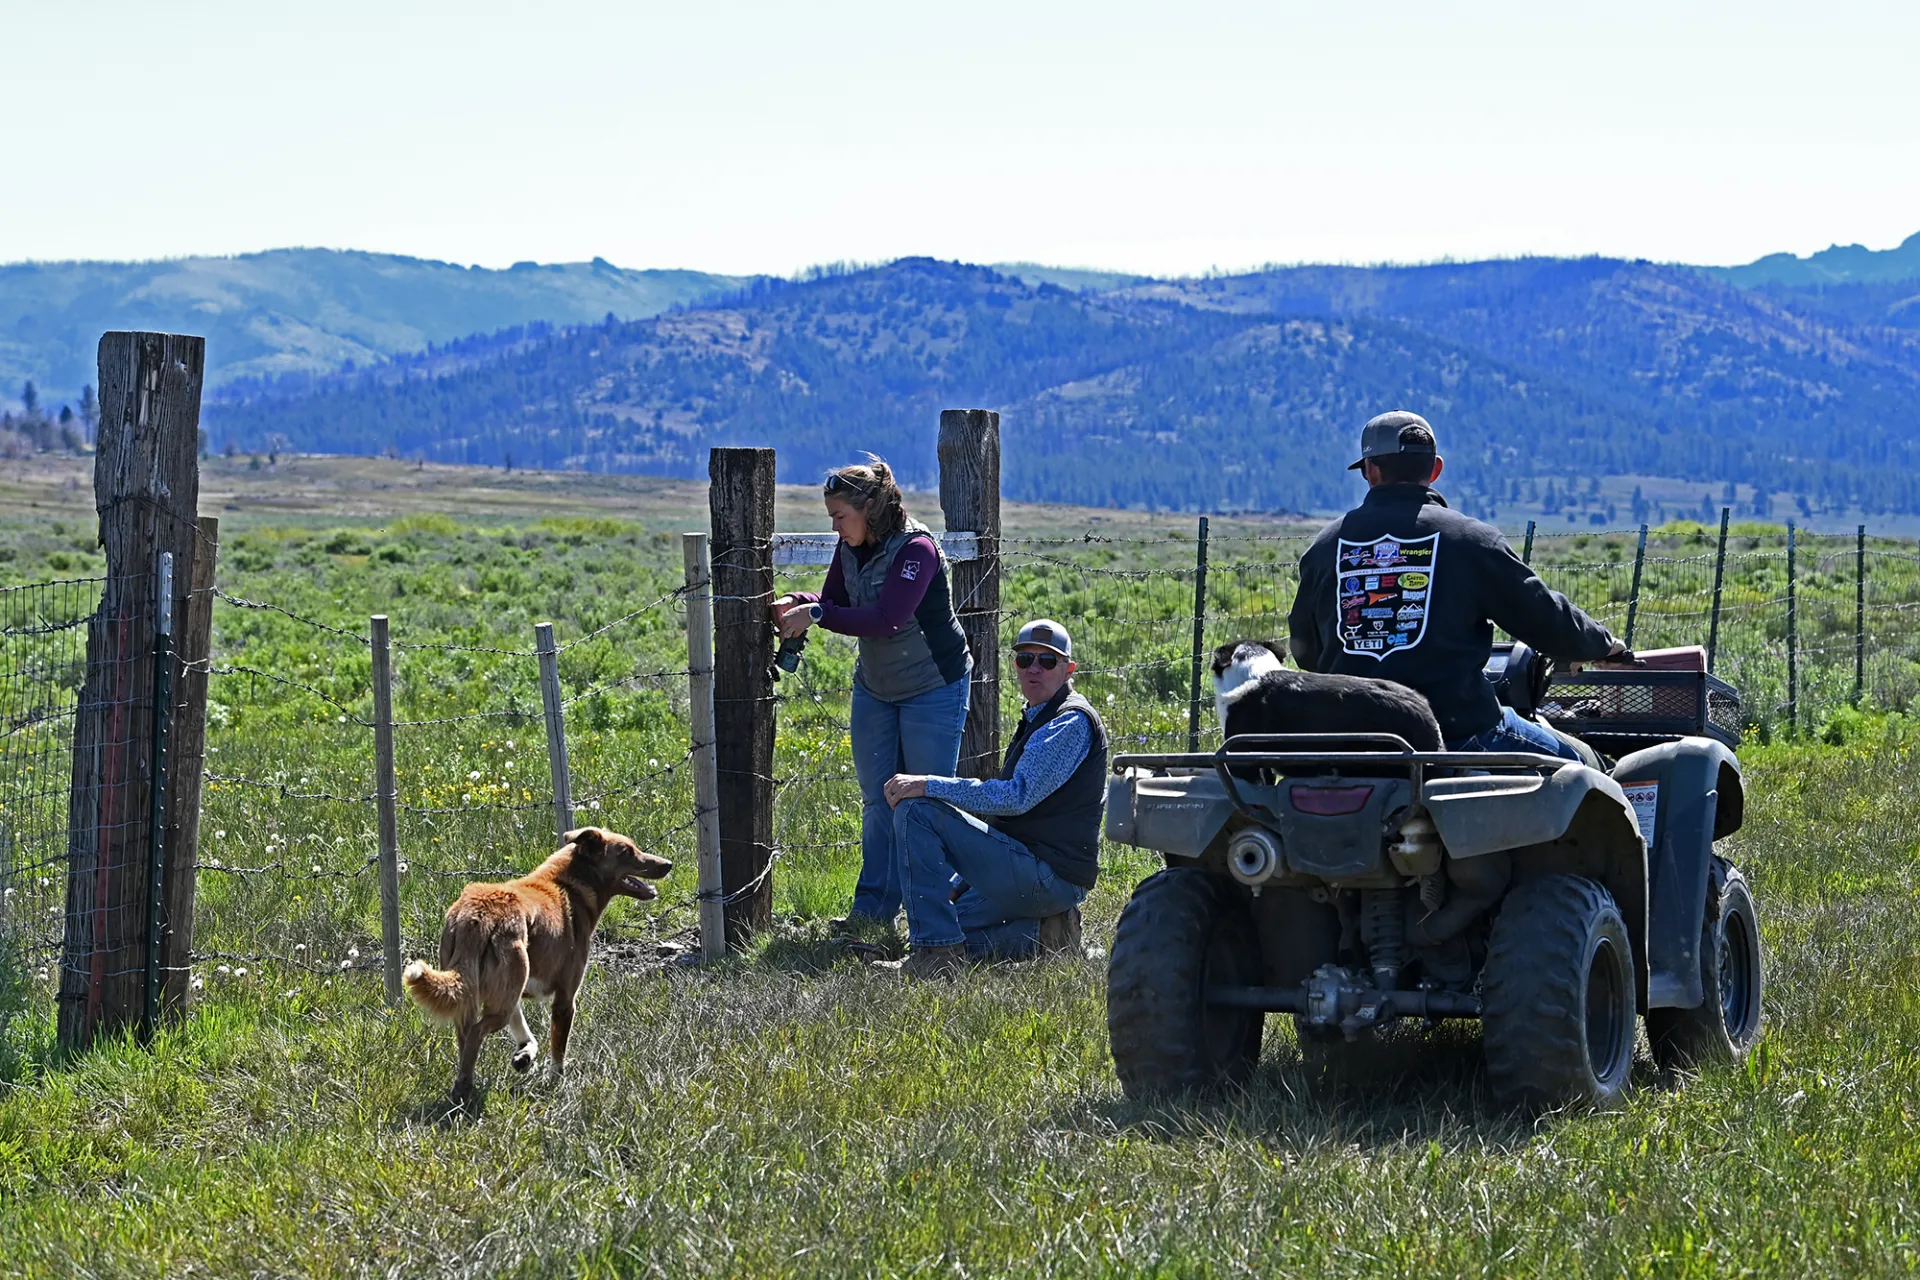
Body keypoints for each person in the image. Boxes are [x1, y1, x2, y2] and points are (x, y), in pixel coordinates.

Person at [1287, 411, 1630, 759]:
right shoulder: (1470, 540)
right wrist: (1600, 644)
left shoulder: (1326, 545)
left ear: (1371, 471)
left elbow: (1305, 649)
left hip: (1347, 742)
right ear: (1435, 469)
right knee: (1583, 768)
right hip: (1457, 734)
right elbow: (1545, 619)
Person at [771, 456, 972, 933]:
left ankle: (937, 918)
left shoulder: (917, 550)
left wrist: (816, 617)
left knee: (925, 803)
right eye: (832, 518)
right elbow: (834, 601)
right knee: (877, 799)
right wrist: (799, 603)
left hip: (933, 687)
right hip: (877, 687)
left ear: (869, 507)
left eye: (840, 516)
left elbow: (887, 619)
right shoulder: (851, 548)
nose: (836, 528)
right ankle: (872, 914)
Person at [874, 619, 1107, 979]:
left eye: (1047, 661)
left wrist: (929, 784)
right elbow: (1009, 823)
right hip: (1035, 870)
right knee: (954, 925)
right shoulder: (1041, 716)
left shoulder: (1069, 723)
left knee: (917, 809)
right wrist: (958, 886)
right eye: (1024, 659)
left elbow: (1016, 799)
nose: (1033, 668)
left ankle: (935, 955)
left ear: (1068, 669)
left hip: (1049, 875)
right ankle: (1047, 937)